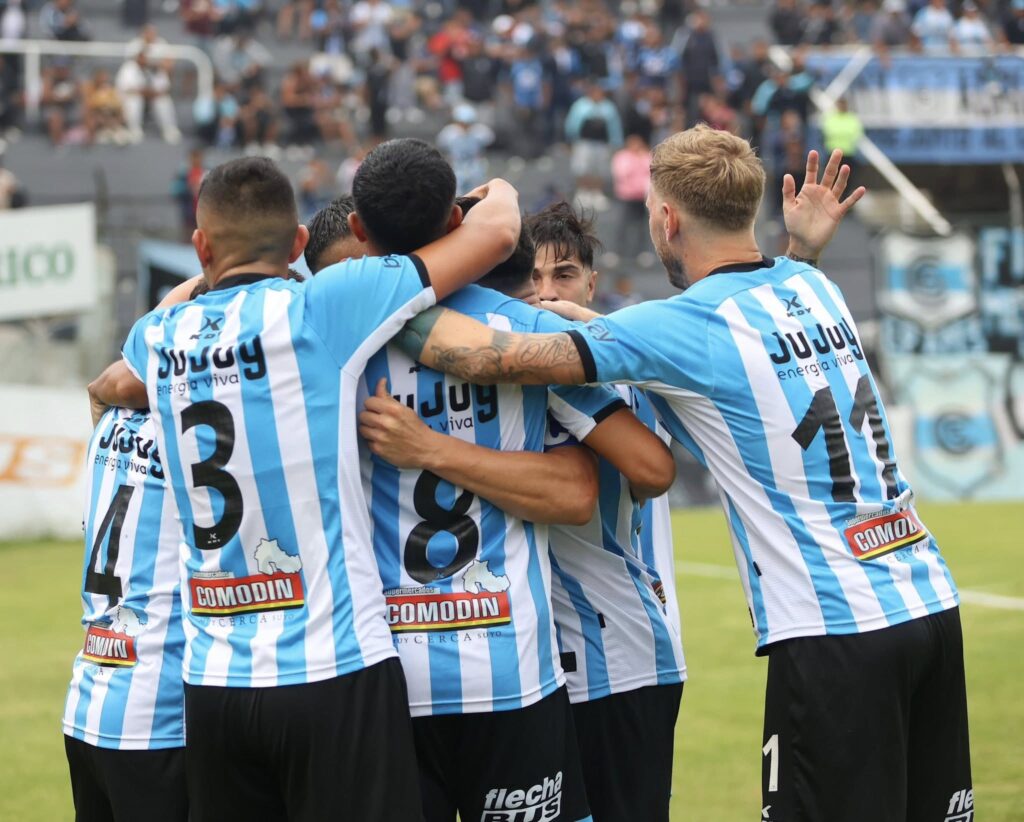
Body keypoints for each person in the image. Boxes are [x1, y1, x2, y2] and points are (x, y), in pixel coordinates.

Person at [395, 131, 972, 822]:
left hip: (838, 630)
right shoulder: (812, 285)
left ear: (667, 218)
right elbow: (744, 337)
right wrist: (804, 249)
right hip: (929, 602)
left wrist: (388, 302)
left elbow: (501, 359)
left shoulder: (683, 325)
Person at [87, 155, 523, 822]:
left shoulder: (159, 336)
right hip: (335, 667)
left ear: (201, 246)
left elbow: (114, 382)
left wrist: (198, 278)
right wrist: (498, 189)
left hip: (215, 683)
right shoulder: (324, 304)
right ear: (298, 244)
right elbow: (496, 233)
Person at [307, 138, 677, 822]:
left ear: (358, 231)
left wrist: (428, 447)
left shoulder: (326, 344)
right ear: (456, 221)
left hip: (385, 676)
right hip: (510, 671)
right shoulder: (520, 331)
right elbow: (642, 470)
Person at [528, 201, 686, 822]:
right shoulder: (526, 373)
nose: (546, 293)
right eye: (533, 278)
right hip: (548, 661)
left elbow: (651, 475)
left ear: (591, 284)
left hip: (617, 655)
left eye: (563, 275)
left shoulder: (607, 376)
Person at [63, 408, 188, 822]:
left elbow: (99, 389)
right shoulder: (185, 427)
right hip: (157, 718)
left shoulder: (107, 422)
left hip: (86, 702)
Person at [115, 50, 181, 144]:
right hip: (128, 100)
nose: (145, 60)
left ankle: (169, 130)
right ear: (138, 57)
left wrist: (151, 93)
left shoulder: (155, 69)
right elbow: (127, 89)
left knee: (163, 100)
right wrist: (146, 93)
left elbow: (165, 89)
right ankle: (134, 129)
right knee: (135, 100)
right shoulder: (128, 68)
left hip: (149, 99)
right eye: (143, 58)